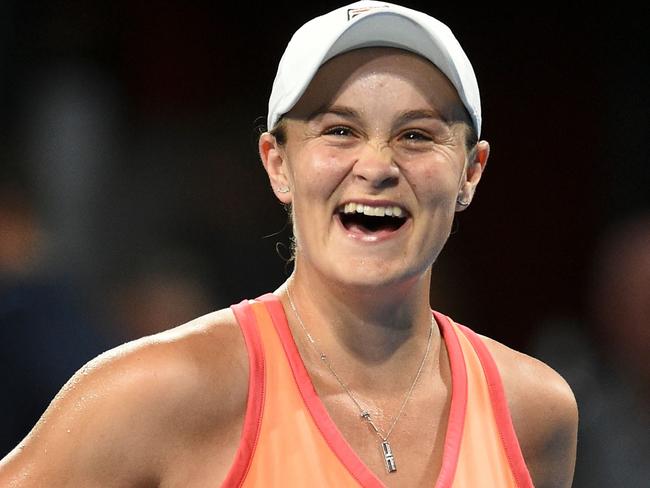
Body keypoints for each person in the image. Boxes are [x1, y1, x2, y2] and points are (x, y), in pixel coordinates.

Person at [0, 1, 578, 486]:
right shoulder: (161, 391)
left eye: (416, 135)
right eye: (340, 130)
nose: (376, 166)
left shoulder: (536, 412)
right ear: (278, 164)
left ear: (471, 173)